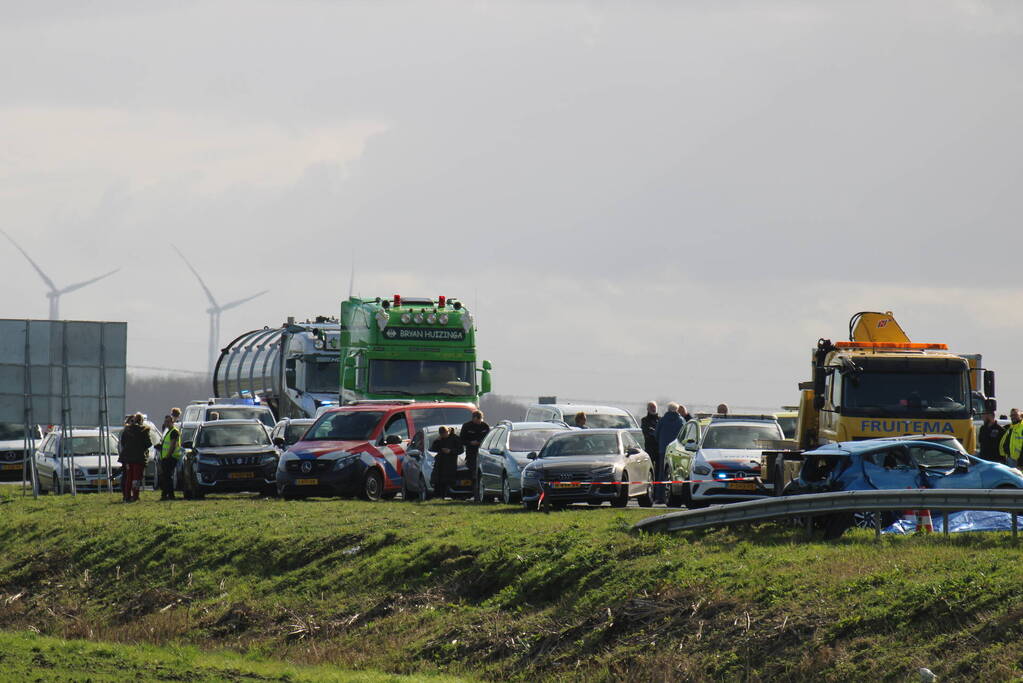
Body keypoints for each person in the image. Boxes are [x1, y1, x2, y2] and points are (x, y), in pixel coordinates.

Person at [654, 403, 685, 504]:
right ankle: (677, 495)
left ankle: (661, 497)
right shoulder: (681, 421)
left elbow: (656, 434)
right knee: (677, 473)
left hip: (663, 450)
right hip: (677, 451)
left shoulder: (662, 420)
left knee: (662, 473)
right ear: (677, 410)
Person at [118, 413, 150, 502]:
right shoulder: (144, 430)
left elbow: (123, 443)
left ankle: (127, 496)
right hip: (139, 458)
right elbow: (148, 444)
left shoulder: (127, 430)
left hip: (128, 458)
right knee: (136, 478)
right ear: (141, 421)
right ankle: (135, 496)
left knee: (129, 478)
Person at [430, 426, 464, 499]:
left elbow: (461, 450)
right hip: (440, 462)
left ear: (448, 431)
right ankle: (438, 496)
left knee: (448, 480)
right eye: (441, 434)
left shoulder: (455, 438)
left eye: (444, 434)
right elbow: (433, 448)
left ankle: (451, 495)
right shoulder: (439, 439)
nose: (443, 436)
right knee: (438, 481)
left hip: (450, 462)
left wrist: (450, 451)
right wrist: (437, 441)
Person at [459, 410, 490, 485]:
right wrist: (470, 443)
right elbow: (461, 440)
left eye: (480, 420)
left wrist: (481, 443)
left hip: (483, 452)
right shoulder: (466, 426)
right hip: (471, 452)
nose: (478, 422)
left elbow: (489, 439)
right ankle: (473, 486)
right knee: (472, 469)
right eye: (477, 420)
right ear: (473, 418)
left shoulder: (485, 426)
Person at [158, 414, 181, 500]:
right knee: (166, 477)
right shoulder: (168, 431)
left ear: (172, 422)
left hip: (170, 457)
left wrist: (167, 456)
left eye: (168, 421)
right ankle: (166, 495)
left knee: (167, 477)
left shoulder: (174, 432)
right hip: (166, 457)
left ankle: (168, 495)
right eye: (165, 421)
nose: (166, 423)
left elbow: (172, 445)